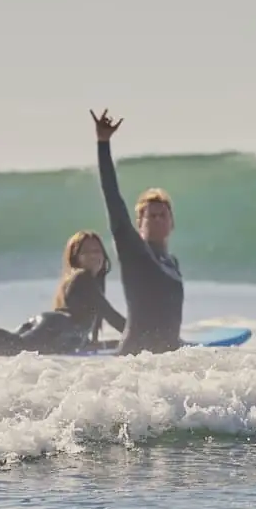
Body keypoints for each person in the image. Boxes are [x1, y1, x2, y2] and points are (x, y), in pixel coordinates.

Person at [0, 231, 127, 359]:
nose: (94, 256)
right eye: (87, 252)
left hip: (50, 324)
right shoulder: (84, 278)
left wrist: (114, 343)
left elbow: (85, 338)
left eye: (98, 251)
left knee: (12, 345)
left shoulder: (77, 280)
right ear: (76, 258)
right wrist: (143, 334)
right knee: (16, 346)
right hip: (57, 325)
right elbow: (111, 315)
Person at [90, 109, 183, 353]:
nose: (157, 219)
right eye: (150, 216)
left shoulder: (172, 263)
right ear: (138, 223)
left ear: (172, 222)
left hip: (166, 361)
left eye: (162, 215)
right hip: (136, 363)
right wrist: (103, 143)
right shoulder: (135, 253)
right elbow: (113, 198)